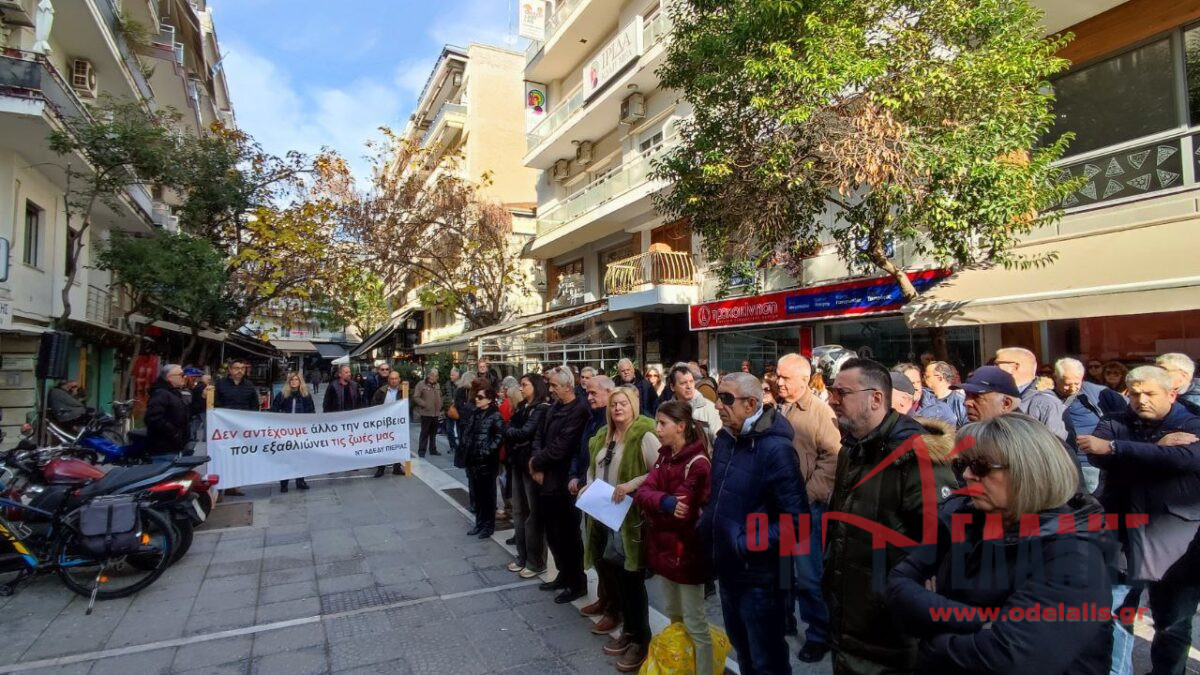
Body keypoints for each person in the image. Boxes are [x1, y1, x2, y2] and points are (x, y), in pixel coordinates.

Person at [886, 414, 1114, 674]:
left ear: (1028, 471)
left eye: (981, 466)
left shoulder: (1074, 556)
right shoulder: (964, 518)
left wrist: (934, 638)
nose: (968, 475)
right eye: (964, 464)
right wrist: (981, 620)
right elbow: (898, 585)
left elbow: (1011, 658)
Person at [824, 358, 958, 675]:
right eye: (832, 391)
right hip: (849, 621)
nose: (832, 400)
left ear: (876, 398)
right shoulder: (851, 450)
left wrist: (902, 603)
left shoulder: (917, 456)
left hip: (892, 635)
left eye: (842, 392)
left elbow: (942, 548)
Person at [1080, 366, 1200, 675]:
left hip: (1176, 540)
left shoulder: (1192, 423)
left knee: (1172, 622)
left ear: (1172, 394)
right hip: (1120, 537)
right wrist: (1152, 451)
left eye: (1149, 394)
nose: (1140, 400)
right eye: (1134, 394)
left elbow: (1185, 460)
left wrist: (1120, 451)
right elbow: (1097, 455)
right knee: (1115, 614)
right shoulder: (1112, 421)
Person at [698, 372, 805, 674]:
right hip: (729, 571)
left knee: (766, 660)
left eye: (727, 398)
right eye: (718, 396)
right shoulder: (724, 440)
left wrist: (746, 543)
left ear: (751, 404)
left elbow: (797, 522)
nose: (718, 404)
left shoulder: (777, 450)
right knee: (743, 652)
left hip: (761, 580)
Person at [582, 386, 661, 672]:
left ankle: (641, 638)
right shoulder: (603, 435)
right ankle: (629, 630)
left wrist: (631, 485)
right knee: (613, 575)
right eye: (614, 404)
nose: (617, 408)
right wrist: (588, 484)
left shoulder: (645, 434)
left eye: (623, 403)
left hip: (630, 520)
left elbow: (659, 470)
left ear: (634, 406)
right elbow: (593, 468)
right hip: (603, 513)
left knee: (632, 579)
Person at [634, 399, 714, 675]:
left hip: (687, 553)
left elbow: (684, 511)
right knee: (675, 617)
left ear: (680, 427)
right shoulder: (665, 455)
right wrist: (664, 503)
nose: (657, 429)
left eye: (662, 423)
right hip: (666, 550)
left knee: (695, 622)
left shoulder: (698, 463)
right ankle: (682, 668)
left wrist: (659, 504)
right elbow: (644, 492)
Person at [774, 354, 839, 662]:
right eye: (777, 376)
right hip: (782, 505)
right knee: (783, 569)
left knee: (810, 576)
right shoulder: (781, 408)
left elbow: (832, 460)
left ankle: (818, 633)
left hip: (807, 509)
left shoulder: (820, 413)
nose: (778, 381)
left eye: (785, 377)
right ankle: (785, 619)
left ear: (804, 379)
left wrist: (806, 496)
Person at [530, 366, 591, 604]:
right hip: (546, 478)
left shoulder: (579, 410)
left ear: (568, 386)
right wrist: (536, 463)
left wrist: (536, 461)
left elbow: (563, 446)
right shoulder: (554, 407)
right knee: (553, 532)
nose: (551, 389)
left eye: (555, 385)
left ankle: (576, 581)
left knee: (568, 534)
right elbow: (539, 436)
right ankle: (563, 575)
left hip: (563, 480)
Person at [573, 376, 621, 633]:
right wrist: (578, 477)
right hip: (592, 492)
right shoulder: (594, 419)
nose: (589, 397)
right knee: (599, 552)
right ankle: (604, 599)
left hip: (610, 496)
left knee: (610, 555)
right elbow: (584, 454)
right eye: (587, 393)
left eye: (593, 393)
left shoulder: (614, 421)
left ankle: (614, 609)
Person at [1054, 357, 1127, 493]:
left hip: (1089, 462)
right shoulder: (1045, 395)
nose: (1072, 388)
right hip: (1059, 462)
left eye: (1077, 383)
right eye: (1066, 384)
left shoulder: (1100, 392)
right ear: (1056, 378)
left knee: (1092, 505)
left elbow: (1125, 415)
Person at [504, 373, 551, 579]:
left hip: (530, 465)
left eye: (525, 385)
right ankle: (522, 556)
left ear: (536, 386)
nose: (521, 388)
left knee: (533, 515)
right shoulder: (523, 407)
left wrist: (513, 433)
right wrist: (514, 432)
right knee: (519, 511)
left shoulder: (541, 409)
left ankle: (536, 561)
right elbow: (512, 428)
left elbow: (524, 432)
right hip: (517, 462)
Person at [993, 347, 1069, 442]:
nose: (993, 368)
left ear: (1015, 367)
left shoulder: (1046, 403)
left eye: (997, 364)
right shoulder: (997, 395)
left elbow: (1054, 447)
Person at [462, 384, 503, 539]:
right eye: (476, 397)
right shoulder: (476, 413)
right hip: (473, 460)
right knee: (477, 495)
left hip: (487, 461)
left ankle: (488, 526)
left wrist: (487, 451)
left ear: (490, 399)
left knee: (488, 496)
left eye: (480, 397)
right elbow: (468, 431)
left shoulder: (495, 415)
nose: (476, 400)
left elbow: (499, 436)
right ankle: (479, 523)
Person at [215, 359, 259, 495]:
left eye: (242, 368)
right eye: (236, 368)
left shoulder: (249, 386)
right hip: (224, 428)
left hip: (241, 429)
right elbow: (215, 405)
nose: (239, 370)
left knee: (237, 458)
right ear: (230, 370)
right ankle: (219, 486)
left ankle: (232, 486)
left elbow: (254, 406)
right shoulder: (220, 385)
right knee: (222, 457)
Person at [271, 372, 315, 492]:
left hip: (301, 431)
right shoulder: (282, 395)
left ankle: (300, 480)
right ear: (289, 382)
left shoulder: (306, 395)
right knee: (286, 457)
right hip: (286, 432)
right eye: (292, 380)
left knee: (301, 456)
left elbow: (311, 412)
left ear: (300, 381)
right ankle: (284, 482)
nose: (294, 381)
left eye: (296, 379)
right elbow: (274, 410)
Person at [667, 363, 722, 444]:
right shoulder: (665, 410)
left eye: (691, 381)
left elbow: (718, 442)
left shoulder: (710, 409)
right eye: (683, 383)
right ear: (672, 387)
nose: (689, 386)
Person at [145, 364, 189, 455]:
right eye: (181, 375)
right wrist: (174, 432)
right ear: (170, 377)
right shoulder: (160, 393)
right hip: (165, 447)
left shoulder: (173, 392)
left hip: (175, 445)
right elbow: (153, 418)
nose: (184, 377)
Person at [894, 362, 956, 426]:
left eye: (918, 382)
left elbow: (950, 433)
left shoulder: (940, 410)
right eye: (912, 383)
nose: (916, 387)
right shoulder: (887, 407)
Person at [369, 371, 406, 477]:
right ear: (388, 380)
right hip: (384, 423)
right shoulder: (381, 391)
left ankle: (397, 467)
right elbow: (374, 404)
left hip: (398, 423)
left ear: (399, 379)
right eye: (391, 379)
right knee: (383, 445)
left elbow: (410, 403)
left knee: (397, 445)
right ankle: (381, 468)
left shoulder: (404, 391)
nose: (394, 381)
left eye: (396, 378)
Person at [920, 361, 968, 426]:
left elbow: (967, 429)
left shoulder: (960, 401)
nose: (923, 379)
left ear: (939, 378)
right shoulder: (924, 398)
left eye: (927, 376)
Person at [412, 368, 442, 458]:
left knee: (433, 433)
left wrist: (441, 405)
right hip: (426, 413)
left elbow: (440, 396)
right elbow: (416, 397)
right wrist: (424, 404)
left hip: (436, 413)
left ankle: (433, 449)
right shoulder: (421, 384)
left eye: (435, 376)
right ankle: (421, 451)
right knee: (424, 433)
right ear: (428, 375)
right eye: (432, 375)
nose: (433, 377)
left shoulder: (437, 385)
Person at [452, 372, 475, 468]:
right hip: (464, 420)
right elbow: (460, 405)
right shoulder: (463, 391)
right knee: (463, 440)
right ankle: (462, 460)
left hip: (462, 419)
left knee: (463, 440)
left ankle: (462, 460)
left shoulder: (462, 390)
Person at [443, 367, 460, 451]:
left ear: (457, 374)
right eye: (450, 375)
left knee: (459, 429)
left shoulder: (461, 384)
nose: (451, 376)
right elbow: (443, 394)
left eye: (452, 375)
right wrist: (445, 403)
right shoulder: (447, 383)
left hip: (459, 410)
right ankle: (453, 446)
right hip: (449, 410)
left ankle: (460, 446)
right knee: (449, 430)